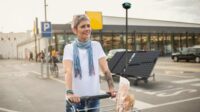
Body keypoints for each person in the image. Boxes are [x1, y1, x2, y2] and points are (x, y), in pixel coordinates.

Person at [63, 14, 116, 112]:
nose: (87, 29)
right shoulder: (69, 48)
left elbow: (105, 69)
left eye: (88, 25)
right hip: (75, 98)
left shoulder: (96, 46)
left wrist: (111, 87)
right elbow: (68, 71)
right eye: (83, 26)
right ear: (75, 30)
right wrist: (70, 92)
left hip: (94, 97)